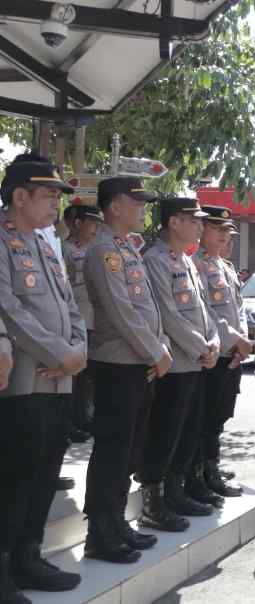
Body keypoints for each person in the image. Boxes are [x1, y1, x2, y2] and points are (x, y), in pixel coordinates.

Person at [0, 156, 85, 601]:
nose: (57, 204)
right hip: (25, 382)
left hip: (60, 379)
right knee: (14, 477)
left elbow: (71, 307)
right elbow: (8, 309)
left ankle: (28, 556)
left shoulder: (44, 246)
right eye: (49, 195)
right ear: (19, 196)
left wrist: (77, 353)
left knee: (44, 472)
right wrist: (60, 353)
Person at [83, 177, 171, 563]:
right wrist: (155, 351)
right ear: (115, 206)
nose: (143, 208)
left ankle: (117, 522)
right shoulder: (104, 250)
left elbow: (147, 308)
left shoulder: (127, 248)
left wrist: (159, 346)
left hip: (139, 363)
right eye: (137, 202)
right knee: (112, 450)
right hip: (118, 363)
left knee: (129, 449)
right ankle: (100, 532)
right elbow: (120, 311)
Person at [139, 198, 222, 526]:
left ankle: (176, 491)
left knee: (188, 430)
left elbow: (205, 310)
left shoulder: (186, 261)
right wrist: (202, 347)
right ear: (174, 222)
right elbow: (167, 314)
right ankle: (153, 502)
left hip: (197, 360)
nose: (201, 227)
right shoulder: (156, 260)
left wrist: (214, 341)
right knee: (165, 431)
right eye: (194, 220)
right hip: (175, 363)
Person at [192, 206, 250, 498]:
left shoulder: (224, 266)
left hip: (232, 354)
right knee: (205, 417)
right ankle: (201, 472)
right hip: (212, 353)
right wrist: (236, 340)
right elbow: (206, 314)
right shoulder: (195, 264)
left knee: (220, 415)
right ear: (202, 229)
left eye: (228, 231)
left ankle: (211, 465)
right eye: (219, 229)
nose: (226, 237)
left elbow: (237, 311)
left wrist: (243, 343)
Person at [62, 205, 104, 444]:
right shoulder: (65, 249)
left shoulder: (98, 250)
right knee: (75, 376)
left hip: (97, 319)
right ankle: (71, 421)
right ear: (77, 224)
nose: (96, 228)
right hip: (76, 319)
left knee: (90, 377)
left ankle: (86, 417)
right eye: (92, 223)